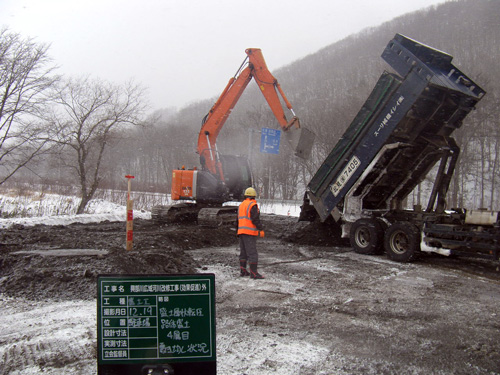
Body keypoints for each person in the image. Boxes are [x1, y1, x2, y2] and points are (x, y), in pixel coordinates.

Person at [237, 187, 265, 279]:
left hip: (241, 232)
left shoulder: (241, 205)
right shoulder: (253, 205)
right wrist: (260, 229)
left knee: (243, 252)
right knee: (252, 253)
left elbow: (237, 220)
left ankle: (243, 270)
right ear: (254, 196)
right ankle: (254, 273)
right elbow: (255, 219)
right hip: (249, 233)